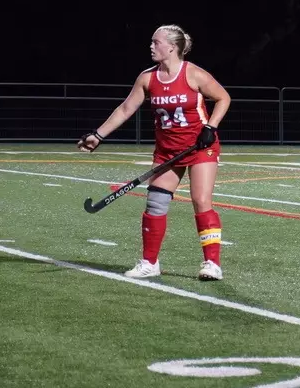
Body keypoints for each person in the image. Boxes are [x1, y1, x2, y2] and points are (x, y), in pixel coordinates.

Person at [77, 24, 232, 280]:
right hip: (167, 151)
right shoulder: (147, 78)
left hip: (199, 147)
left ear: (171, 47)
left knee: (201, 200)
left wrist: (210, 127)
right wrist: (98, 135)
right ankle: (150, 263)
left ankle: (212, 264)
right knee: (156, 203)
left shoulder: (193, 74)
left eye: (155, 42)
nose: (151, 46)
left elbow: (223, 98)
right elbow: (126, 109)